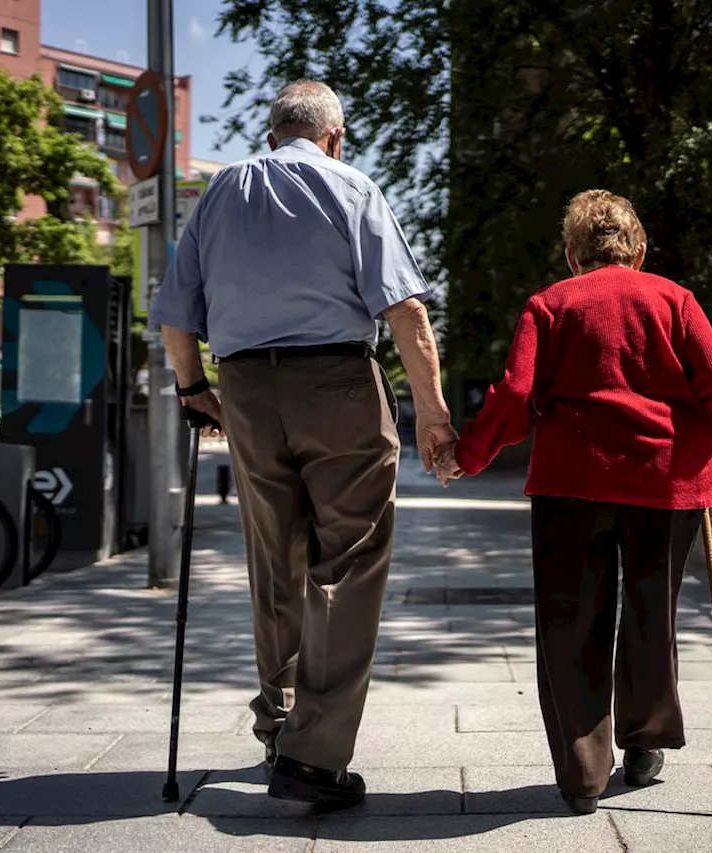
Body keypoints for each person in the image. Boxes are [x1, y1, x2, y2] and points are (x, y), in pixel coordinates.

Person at [149, 79, 457, 809]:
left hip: (249, 387)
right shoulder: (351, 188)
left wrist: (195, 390)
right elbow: (405, 312)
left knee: (274, 554)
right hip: (338, 384)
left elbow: (174, 316)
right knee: (347, 561)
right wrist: (435, 413)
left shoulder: (220, 194)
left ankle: (279, 721)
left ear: (271, 135)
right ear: (333, 137)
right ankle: (314, 757)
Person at [437, 189, 712, 815]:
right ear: (639, 248)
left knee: (570, 621)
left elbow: (516, 393)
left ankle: (581, 776)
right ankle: (645, 743)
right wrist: (697, 444)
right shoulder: (674, 299)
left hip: (571, 480)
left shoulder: (550, 303)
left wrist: (468, 455)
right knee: (652, 611)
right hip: (663, 480)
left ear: (572, 254)